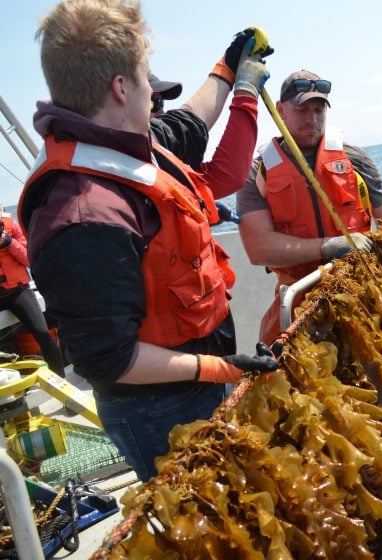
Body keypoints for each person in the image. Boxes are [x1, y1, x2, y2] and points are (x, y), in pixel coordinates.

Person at [17, 0, 278, 482]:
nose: (150, 89)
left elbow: (192, 121)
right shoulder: (83, 215)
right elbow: (109, 360)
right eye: (144, 76)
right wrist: (219, 370)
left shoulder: (122, 141)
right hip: (160, 410)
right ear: (121, 88)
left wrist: (229, 68)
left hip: (199, 374)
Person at [236, 69, 382, 345]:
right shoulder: (257, 172)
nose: (312, 119)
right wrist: (329, 247)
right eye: (302, 110)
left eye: (318, 110)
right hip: (298, 298)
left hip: (363, 289)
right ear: (280, 110)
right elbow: (258, 249)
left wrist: (381, 240)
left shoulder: (356, 158)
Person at [0, 205, 65, 376]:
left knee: (44, 335)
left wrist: (8, 242)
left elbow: (29, 258)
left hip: (17, 291)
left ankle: (61, 383)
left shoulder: (11, 226)